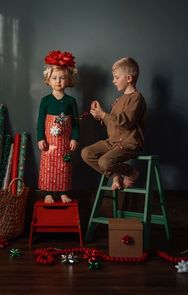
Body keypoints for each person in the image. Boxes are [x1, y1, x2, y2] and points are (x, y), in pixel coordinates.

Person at [81, 57, 146, 190]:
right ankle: (116, 175)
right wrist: (100, 114)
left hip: (129, 143)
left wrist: (104, 115)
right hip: (113, 142)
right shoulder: (119, 99)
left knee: (104, 161)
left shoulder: (136, 98)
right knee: (86, 153)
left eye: (116, 77)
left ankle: (131, 173)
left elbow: (125, 122)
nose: (113, 81)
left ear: (128, 78)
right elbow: (114, 123)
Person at [37, 50, 79, 203]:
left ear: (68, 80)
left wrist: (75, 138)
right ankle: (47, 192)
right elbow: (40, 122)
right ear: (48, 80)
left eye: (62, 78)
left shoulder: (71, 101)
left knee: (64, 166)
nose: (58, 81)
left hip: (64, 144)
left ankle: (63, 192)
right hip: (49, 143)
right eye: (54, 78)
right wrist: (40, 138)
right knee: (48, 167)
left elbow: (75, 122)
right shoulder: (45, 101)